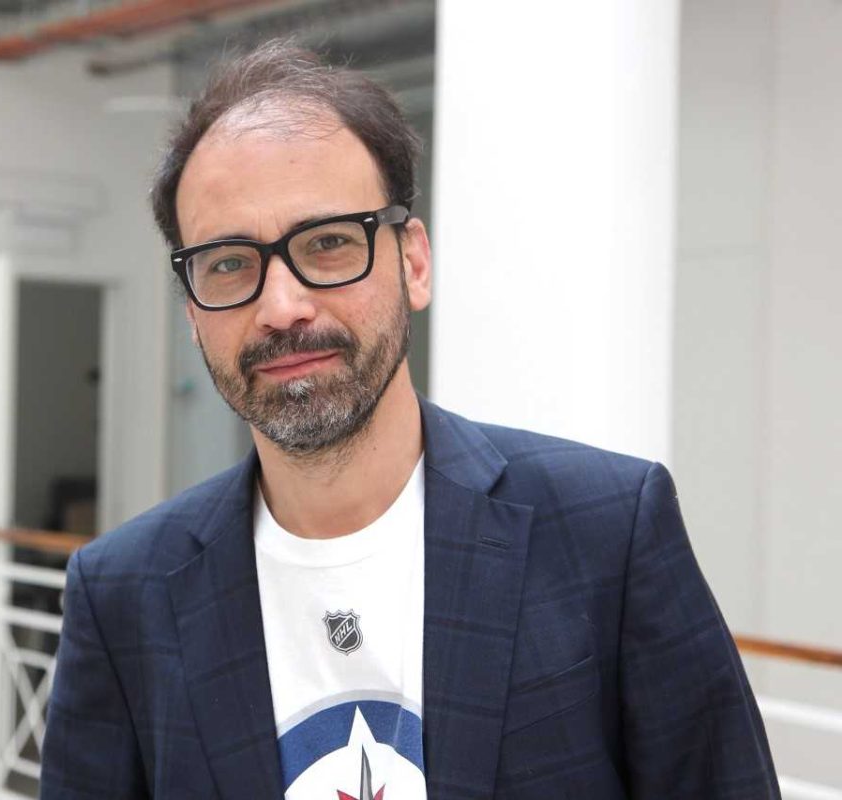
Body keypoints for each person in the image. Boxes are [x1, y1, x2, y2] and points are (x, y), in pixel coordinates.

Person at [39, 40, 779, 799]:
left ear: (414, 263)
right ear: (194, 315)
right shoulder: (124, 593)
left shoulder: (606, 531)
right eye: (228, 263)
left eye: (329, 243)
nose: (282, 307)